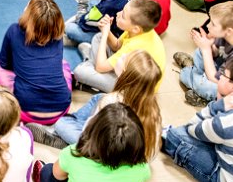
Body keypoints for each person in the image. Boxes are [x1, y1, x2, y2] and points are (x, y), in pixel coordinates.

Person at [31, 50, 161, 158]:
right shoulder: (153, 107)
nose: (121, 55)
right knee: (98, 97)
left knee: (61, 124)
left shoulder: (112, 101)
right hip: (125, 151)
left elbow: (91, 133)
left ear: (125, 73)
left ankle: (63, 139)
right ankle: (71, 123)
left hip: (103, 152)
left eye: (123, 58)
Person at [0, 0, 71, 123]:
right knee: (64, 64)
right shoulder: (58, 36)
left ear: (28, 15)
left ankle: (29, 124)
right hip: (61, 109)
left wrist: (22, 66)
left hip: (25, 109)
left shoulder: (14, 31)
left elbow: (4, 64)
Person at [74, 0, 165, 93]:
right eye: (123, 10)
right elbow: (117, 46)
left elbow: (100, 68)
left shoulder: (136, 45)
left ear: (136, 29)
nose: (118, 13)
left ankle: (90, 64)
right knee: (99, 37)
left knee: (79, 72)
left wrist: (105, 34)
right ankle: (93, 66)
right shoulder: (137, 30)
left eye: (123, 16)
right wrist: (107, 31)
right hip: (124, 69)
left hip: (132, 89)